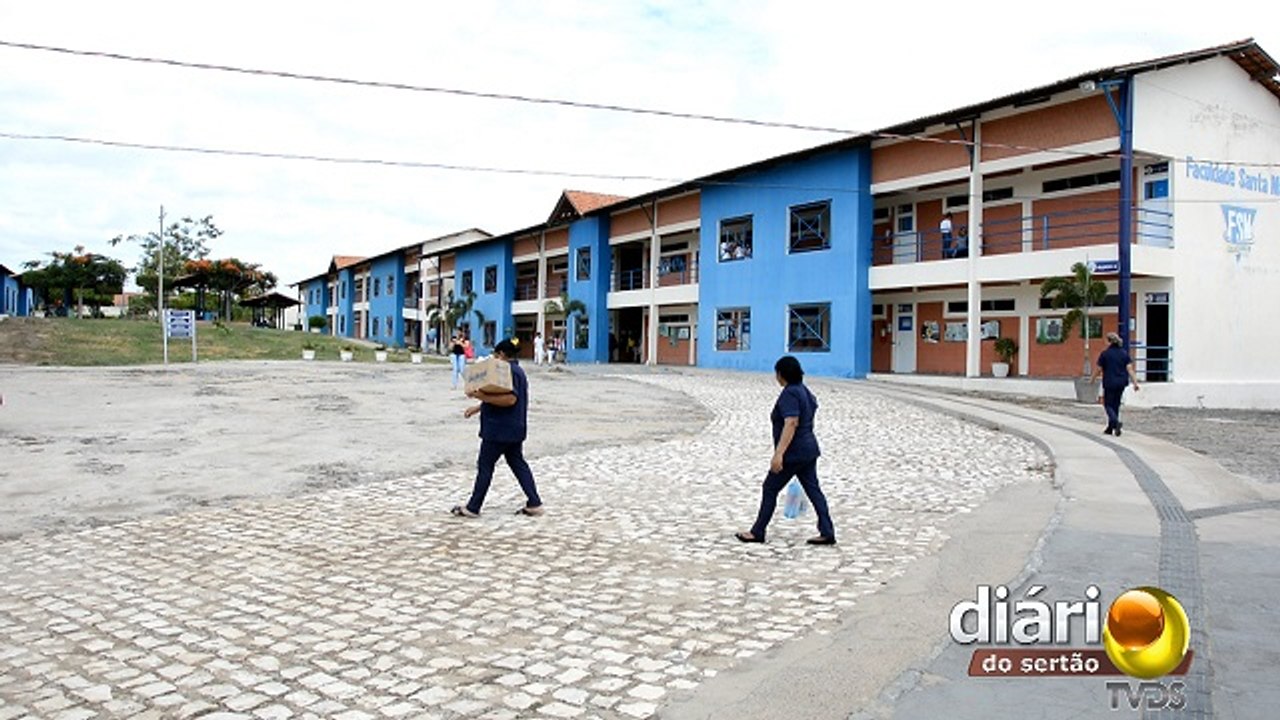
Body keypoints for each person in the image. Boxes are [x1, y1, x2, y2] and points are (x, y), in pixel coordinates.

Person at [736, 355, 836, 545]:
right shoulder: (805, 391)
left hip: (793, 453)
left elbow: (791, 422)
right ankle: (827, 530)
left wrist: (779, 454)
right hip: (809, 449)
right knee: (814, 490)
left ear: (781, 374)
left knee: (770, 488)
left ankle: (758, 531)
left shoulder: (790, 393)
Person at [452, 339, 544, 517]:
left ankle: (473, 507)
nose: (494, 358)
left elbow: (510, 399)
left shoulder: (507, 372)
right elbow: (499, 396)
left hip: (499, 430)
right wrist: (478, 407)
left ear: (501, 354)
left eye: (495, 354)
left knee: (485, 465)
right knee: (517, 463)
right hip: (514, 428)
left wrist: (481, 396)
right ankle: (534, 502)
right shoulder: (518, 371)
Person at [1090, 332, 1140, 436]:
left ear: (1109, 342)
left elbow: (1099, 369)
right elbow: (1130, 369)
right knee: (1116, 405)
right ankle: (1110, 427)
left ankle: (1115, 422)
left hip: (1109, 382)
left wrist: (1092, 379)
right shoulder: (1124, 353)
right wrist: (1135, 382)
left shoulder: (1105, 354)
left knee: (1107, 404)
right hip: (1121, 382)